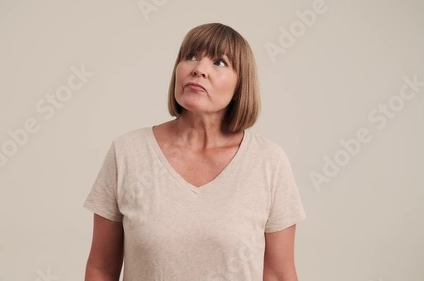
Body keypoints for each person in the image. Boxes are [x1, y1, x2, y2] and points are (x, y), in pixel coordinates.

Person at [83, 22, 306, 281]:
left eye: (219, 62)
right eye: (191, 57)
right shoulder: (127, 153)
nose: (199, 70)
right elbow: (101, 269)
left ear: (240, 85)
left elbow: (279, 274)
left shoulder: (268, 161)